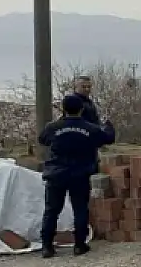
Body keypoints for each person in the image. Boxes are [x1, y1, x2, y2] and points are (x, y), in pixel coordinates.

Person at [37, 94, 116, 258]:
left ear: (63, 109)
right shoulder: (90, 128)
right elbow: (108, 138)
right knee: (80, 209)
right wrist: (108, 124)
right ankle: (80, 245)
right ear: (82, 109)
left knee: (51, 211)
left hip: (56, 174)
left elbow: (42, 139)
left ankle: (47, 247)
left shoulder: (53, 127)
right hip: (79, 174)